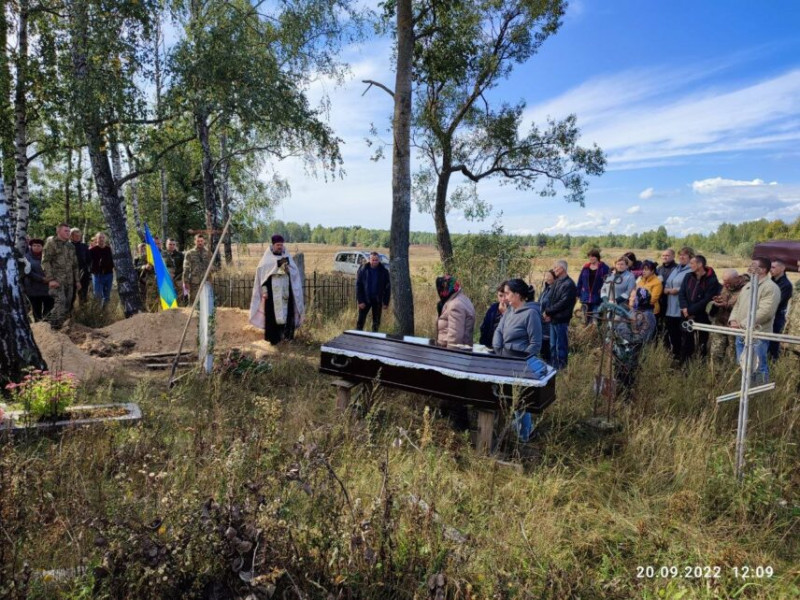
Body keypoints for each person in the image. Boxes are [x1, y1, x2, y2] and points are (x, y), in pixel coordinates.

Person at [492, 278, 543, 442]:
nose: (505, 297)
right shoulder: (509, 311)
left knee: (520, 401)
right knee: (508, 398)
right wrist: (499, 350)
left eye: (507, 293)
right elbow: (499, 331)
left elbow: (535, 344)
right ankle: (514, 429)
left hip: (520, 365)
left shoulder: (531, 314)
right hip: (504, 360)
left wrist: (522, 361)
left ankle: (524, 436)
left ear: (518, 295)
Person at [729, 257, 780, 384]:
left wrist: (743, 324)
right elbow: (737, 305)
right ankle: (746, 392)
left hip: (758, 335)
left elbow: (766, 312)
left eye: (753, 266)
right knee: (743, 365)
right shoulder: (748, 286)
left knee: (758, 367)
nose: (749, 268)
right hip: (741, 333)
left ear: (762, 270)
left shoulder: (771, 287)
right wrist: (733, 320)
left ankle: (759, 395)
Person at [249, 234, 305, 345]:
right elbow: (262, 278)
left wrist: (288, 269)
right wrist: (264, 291)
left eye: (281, 245)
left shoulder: (287, 256)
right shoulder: (266, 260)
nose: (280, 247)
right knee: (272, 317)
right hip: (271, 295)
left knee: (287, 315)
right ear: (273, 245)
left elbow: (294, 273)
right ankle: (274, 340)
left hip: (285, 293)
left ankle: (287, 338)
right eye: (278, 245)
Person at [678, 254, 720, 361]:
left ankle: (700, 365)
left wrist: (690, 310)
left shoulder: (711, 280)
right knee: (686, 341)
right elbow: (681, 293)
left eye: (692, 263)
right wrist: (684, 308)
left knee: (702, 342)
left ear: (700, 264)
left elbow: (706, 300)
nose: (690, 265)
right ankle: (685, 364)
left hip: (702, 316)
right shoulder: (688, 276)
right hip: (686, 314)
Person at [41, 223, 80, 329]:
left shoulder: (70, 246)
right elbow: (45, 262)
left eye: (69, 231)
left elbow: (75, 265)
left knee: (67, 305)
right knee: (60, 302)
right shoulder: (51, 243)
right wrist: (51, 279)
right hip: (57, 281)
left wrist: (77, 281)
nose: (68, 233)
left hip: (69, 281)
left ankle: (58, 328)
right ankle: (47, 326)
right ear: (58, 231)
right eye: (66, 231)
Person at [542, 260, 577, 369]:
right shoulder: (557, 282)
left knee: (561, 346)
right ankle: (553, 367)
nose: (554, 270)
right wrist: (548, 313)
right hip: (553, 318)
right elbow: (551, 299)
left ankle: (562, 368)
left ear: (562, 268)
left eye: (556, 268)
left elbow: (563, 303)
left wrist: (548, 311)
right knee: (552, 345)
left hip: (562, 319)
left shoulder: (569, 284)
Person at [709, 269, 748, 362]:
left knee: (733, 353)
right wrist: (719, 300)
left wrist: (726, 305)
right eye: (724, 282)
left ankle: (732, 373)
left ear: (737, 279)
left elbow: (742, 307)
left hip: (734, 325)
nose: (725, 285)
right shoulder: (726, 286)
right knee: (716, 351)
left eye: (728, 283)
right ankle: (716, 372)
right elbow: (724, 296)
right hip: (720, 321)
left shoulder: (747, 288)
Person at [662, 246, 694, 361]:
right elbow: (667, 285)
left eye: (684, 255)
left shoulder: (691, 270)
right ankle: (675, 356)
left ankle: (684, 359)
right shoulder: (676, 269)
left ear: (690, 257)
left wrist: (676, 290)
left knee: (683, 336)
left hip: (681, 308)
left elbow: (689, 287)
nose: (681, 257)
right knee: (673, 334)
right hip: (670, 308)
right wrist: (668, 290)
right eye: (680, 255)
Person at [435, 275, 476, 347]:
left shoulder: (455, 305)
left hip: (450, 354)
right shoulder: (461, 299)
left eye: (440, 288)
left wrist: (450, 356)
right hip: (455, 352)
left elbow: (455, 338)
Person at [356, 251, 391, 332]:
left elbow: (388, 287)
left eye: (376, 260)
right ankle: (357, 338)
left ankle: (374, 339)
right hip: (365, 300)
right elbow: (358, 286)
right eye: (373, 260)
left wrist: (386, 302)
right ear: (369, 259)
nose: (374, 262)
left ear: (379, 260)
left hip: (378, 300)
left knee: (376, 322)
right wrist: (360, 301)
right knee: (360, 321)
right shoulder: (362, 269)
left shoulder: (384, 271)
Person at [23, 238, 54, 321]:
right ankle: (38, 327)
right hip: (33, 287)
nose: (36, 247)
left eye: (39, 246)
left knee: (49, 308)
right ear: (31, 246)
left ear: (42, 247)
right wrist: (41, 279)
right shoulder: (26, 257)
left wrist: (50, 278)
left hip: (48, 287)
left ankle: (47, 327)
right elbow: (27, 272)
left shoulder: (48, 256)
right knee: (36, 310)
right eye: (34, 245)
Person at [768, 259, 793, 360]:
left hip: (777, 316)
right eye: (770, 267)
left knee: (774, 342)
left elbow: (777, 303)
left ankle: (773, 362)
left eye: (773, 267)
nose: (770, 270)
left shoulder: (786, 285)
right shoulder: (770, 281)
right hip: (769, 315)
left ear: (782, 268)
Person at [576, 248, 609, 324]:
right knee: (584, 319)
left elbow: (608, 282)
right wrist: (577, 293)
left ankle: (596, 334)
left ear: (597, 257)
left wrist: (603, 290)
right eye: (589, 256)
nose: (591, 258)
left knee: (596, 320)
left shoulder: (604, 268)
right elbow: (580, 281)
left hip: (598, 297)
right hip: (585, 297)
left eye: (593, 256)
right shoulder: (585, 267)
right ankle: (586, 334)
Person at [183, 234, 216, 304]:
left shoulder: (209, 253)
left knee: (206, 302)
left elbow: (213, 266)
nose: (200, 243)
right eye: (198, 241)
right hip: (194, 283)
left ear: (204, 241)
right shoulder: (189, 253)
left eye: (201, 241)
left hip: (206, 281)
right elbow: (186, 268)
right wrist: (186, 281)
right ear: (195, 241)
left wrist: (212, 269)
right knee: (194, 302)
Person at [88, 232, 114, 307]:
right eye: (100, 238)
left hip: (109, 275)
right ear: (96, 239)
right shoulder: (92, 250)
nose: (101, 239)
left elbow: (113, 262)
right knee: (97, 296)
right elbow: (88, 262)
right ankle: (97, 314)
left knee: (107, 296)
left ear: (105, 239)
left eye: (103, 237)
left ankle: (104, 313)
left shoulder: (109, 249)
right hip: (97, 275)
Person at [479, 282, 508, 347]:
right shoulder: (493, 308)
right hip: (489, 346)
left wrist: (505, 314)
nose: (503, 299)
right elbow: (484, 328)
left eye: (505, 296)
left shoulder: (513, 310)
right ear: (497, 295)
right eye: (500, 296)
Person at [656, 248, 678, 330]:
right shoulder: (659, 269)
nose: (665, 257)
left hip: (672, 299)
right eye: (663, 255)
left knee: (670, 323)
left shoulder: (677, 268)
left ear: (673, 256)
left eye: (667, 255)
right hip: (659, 299)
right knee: (659, 321)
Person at [70, 228, 91, 305]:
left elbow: (89, 260)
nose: (78, 237)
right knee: (71, 296)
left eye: (79, 235)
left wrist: (88, 271)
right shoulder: (67, 246)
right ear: (71, 236)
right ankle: (69, 314)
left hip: (83, 274)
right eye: (76, 235)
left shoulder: (84, 246)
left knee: (83, 295)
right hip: (70, 274)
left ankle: (83, 313)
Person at [538, 270, 555, 362]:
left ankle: (549, 363)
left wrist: (550, 314)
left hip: (549, 320)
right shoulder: (546, 289)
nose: (547, 278)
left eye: (549, 276)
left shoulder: (555, 290)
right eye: (546, 276)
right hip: (541, 319)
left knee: (547, 343)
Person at [164, 238, 184, 304]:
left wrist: (175, 274)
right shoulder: (162, 254)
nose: (172, 246)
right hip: (167, 280)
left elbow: (183, 267)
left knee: (180, 297)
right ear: (166, 245)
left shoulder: (180, 255)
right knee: (168, 298)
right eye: (170, 244)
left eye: (173, 244)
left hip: (178, 279)